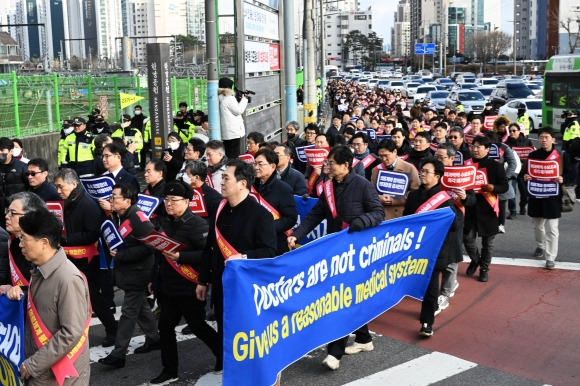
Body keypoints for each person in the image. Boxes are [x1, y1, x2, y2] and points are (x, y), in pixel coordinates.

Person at [288, 145, 384, 370]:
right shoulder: (328, 187)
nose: (327, 166)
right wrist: (296, 234)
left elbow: (378, 213)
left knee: (341, 299)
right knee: (348, 297)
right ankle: (364, 339)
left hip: (356, 252)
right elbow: (315, 214)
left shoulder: (362, 186)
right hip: (335, 251)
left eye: (331, 163)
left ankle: (335, 352)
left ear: (345, 165)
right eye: (327, 162)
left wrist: (362, 221)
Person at [196, 159, 277, 373]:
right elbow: (209, 248)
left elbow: (269, 252)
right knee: (225, 326)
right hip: (221, 284)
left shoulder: (260, 215)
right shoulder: (220, 209)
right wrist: (203, 280)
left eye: (225, 178)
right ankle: (226, 362)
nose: (220, 182)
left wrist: (244, 256)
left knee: (248, 330)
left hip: (247, 289)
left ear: (242, 183)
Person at [7, 209, 90, 385]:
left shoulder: (67, 279)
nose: (20, 244)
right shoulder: (39, 270)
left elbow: (70, 333)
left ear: (44, 242)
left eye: (24, 238)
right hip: (41, 372)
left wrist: (33, 364)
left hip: (59, 377)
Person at [148, 181, 220, 385]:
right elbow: (160, 255)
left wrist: (181, 256)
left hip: (190, 286)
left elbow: (207, 255)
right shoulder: (165, 222)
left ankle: (223, 356)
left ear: (187, 201)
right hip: (168, 287)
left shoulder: (198, 224)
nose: (168, 204)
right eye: (166, 200)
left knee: (198, 326)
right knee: (166, 328)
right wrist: (154, 279)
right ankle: (169, 371)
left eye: (174, 200)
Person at [98, 183, 161, 369]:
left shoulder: (138, 218)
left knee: (128, 313)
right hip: (130, 272)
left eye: (115, 197)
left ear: (127, 200)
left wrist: (123, 255)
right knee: (141, 307)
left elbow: (152, 245)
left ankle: (118, 355)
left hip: (139, 273)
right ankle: (154, 338)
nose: (111, 200)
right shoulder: (121, 215)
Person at [54, 168, 118, 347]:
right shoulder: (65, 202)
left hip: (87, 259)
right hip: (67, 257)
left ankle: (112, 329)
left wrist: (66, 239)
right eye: (56, 187)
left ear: (73, 184)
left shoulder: (87, 204)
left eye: (61, 186)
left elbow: (92, 234)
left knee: (93, 297)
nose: (58, 191)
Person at [403, 159, 461, 337]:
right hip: (415, 248)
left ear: (437, 176)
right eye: (422, 170)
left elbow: (456, 225)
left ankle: (427, 322)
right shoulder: (413, 196)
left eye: (427, 171)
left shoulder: (445, 200)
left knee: (430, 286)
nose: (422, 173)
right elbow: (406, 220)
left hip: (435, 250)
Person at [434, 143, 475, 314]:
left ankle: (444, 294)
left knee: (451, 258)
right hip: (435, 220)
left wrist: (465, 196)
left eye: (441, 157)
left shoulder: (462, 175)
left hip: (454, 220)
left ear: (452, 158)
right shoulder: (433, 171)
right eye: (436, 156)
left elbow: (473, 200)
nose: (438, 160)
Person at [463, 136, 509, 282]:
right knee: (468, 239)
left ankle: (484, 269)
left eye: (479, 147)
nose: (475, 150)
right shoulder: (466, 165)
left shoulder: (495, 166)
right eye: (473, 147)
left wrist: (493, 187)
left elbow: (505, 186)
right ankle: (476, 260)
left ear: (487, 149)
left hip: (488, 208)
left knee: (487, 242)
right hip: (471, 207)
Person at [524, 127, 564, 269]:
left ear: (553, 139)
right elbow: (525, 173)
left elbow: (571, 174)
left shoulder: (560, 155)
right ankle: (541, 245)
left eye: (547, 137)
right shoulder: (533, 155)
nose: (544, 140)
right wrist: (526, 177)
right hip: (536, 195)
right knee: (537, 225)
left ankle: (551, 257)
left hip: (553, 196)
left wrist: (562, 178)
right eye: (541, 137)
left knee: (552, 228)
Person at [252, 148, 298, 255]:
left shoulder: (284, 189)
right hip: (253, 243)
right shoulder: (250, 186)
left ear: (273, 166)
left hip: (275, 243)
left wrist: (267, 228)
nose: (256, 167)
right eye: (255, 164)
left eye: (260, 164)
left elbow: (290, 218)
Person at [0, 192, 47, 297]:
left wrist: (20, 290)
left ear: (31, 216)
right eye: (7, 211)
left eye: (12, 213)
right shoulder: (14, 241)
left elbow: (45, 291)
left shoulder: (42, 247)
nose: (7, 216)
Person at [371, 139, 420, 220]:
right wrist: (379, 198)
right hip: (380, 213)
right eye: (380, 156)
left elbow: (415, 193)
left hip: (400, 214)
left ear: (395, 152)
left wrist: (394, 201)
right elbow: (372, 192)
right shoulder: (375, 170)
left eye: (386, 155)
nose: (383, 159)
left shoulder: (409, 168)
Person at [0, 137, 28, 228]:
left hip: (16, 213)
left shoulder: (22, 167)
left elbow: (30, 188)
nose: (0, 153)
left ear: (11, 151)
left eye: (2, 150)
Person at [506, 123, 534, 216]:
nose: (512, 133)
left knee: (525, 194)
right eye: (510, 131)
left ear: (519, 131)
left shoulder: (527, 141)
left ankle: (522, 206)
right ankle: (512, 211)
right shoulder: (506, 143)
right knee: (512, 193)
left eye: (514, 131)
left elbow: (532, 155)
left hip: (523, 172)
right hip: (512, 172)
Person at [218, 77, 248, 158]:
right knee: (233, 154)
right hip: (233, 132)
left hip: (226, 133)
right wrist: (244, 100)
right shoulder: (229, 98)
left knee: (228, 152)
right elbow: (238, 111)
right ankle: (233, 168)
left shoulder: (220, 97)